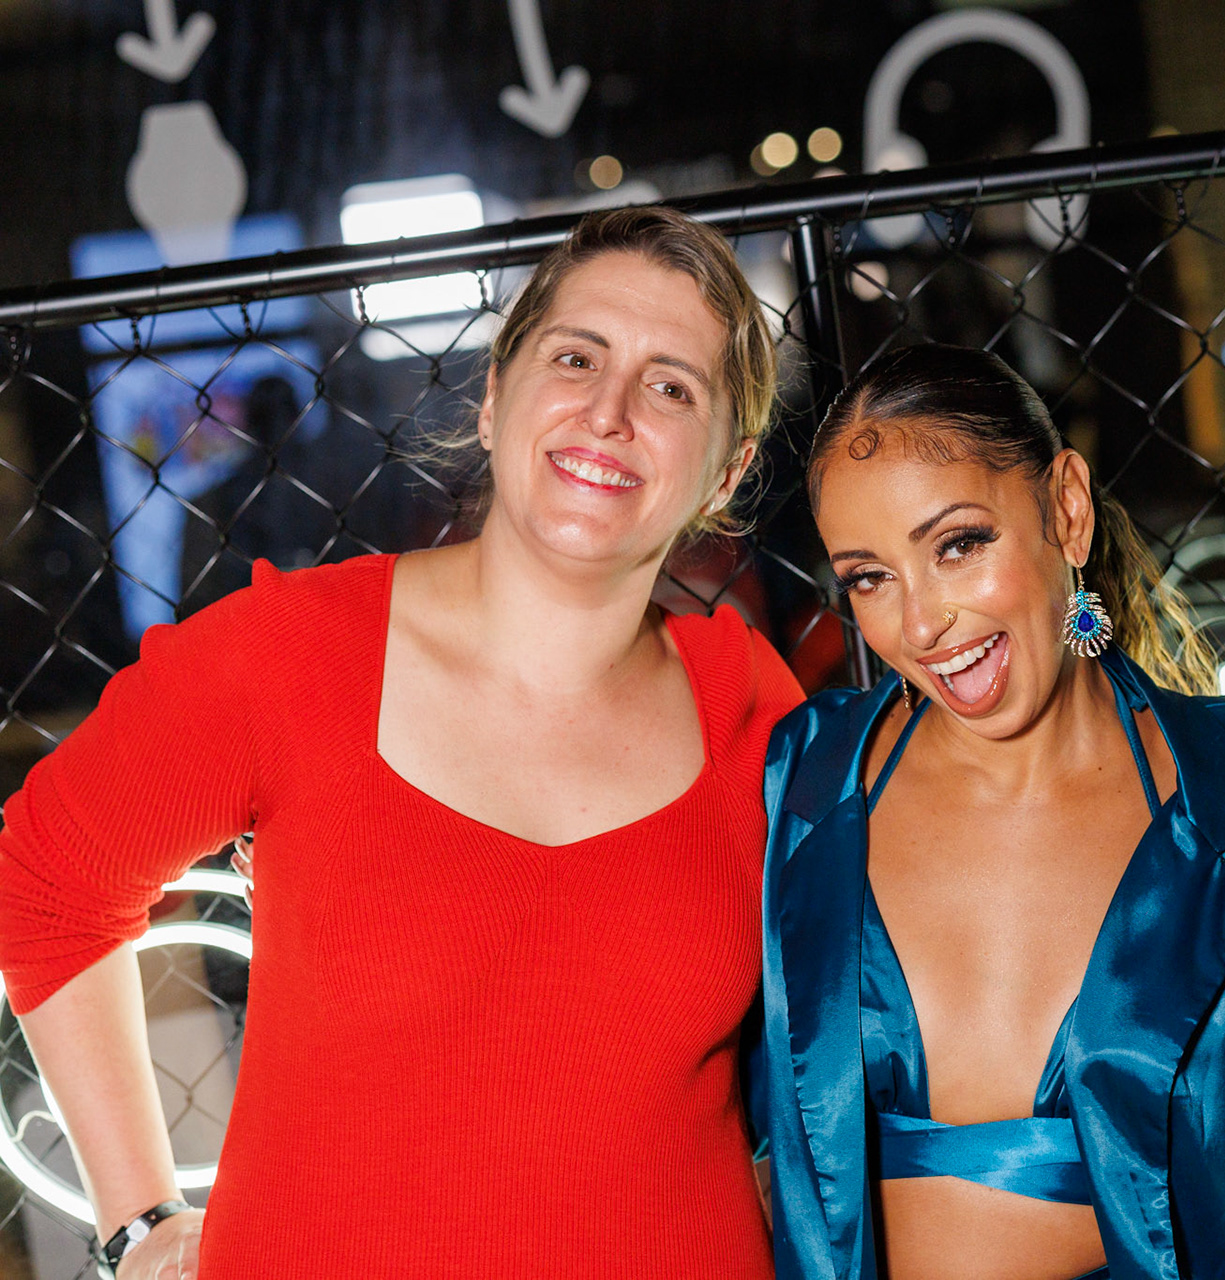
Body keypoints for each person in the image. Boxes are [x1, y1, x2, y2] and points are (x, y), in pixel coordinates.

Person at [0, 206, 803, 1279]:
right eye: (576, 358)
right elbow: (45, 880)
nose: (609, 412)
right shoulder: (293, 653)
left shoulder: (750, 703)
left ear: (726, 470)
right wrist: (140, 1221)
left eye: (672, 387)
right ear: (494, 397)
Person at [755, 344, 1225, 1280]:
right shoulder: (805, 781)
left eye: (957, 545)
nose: (920, 624)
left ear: (1066, 508)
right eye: (869, 577)